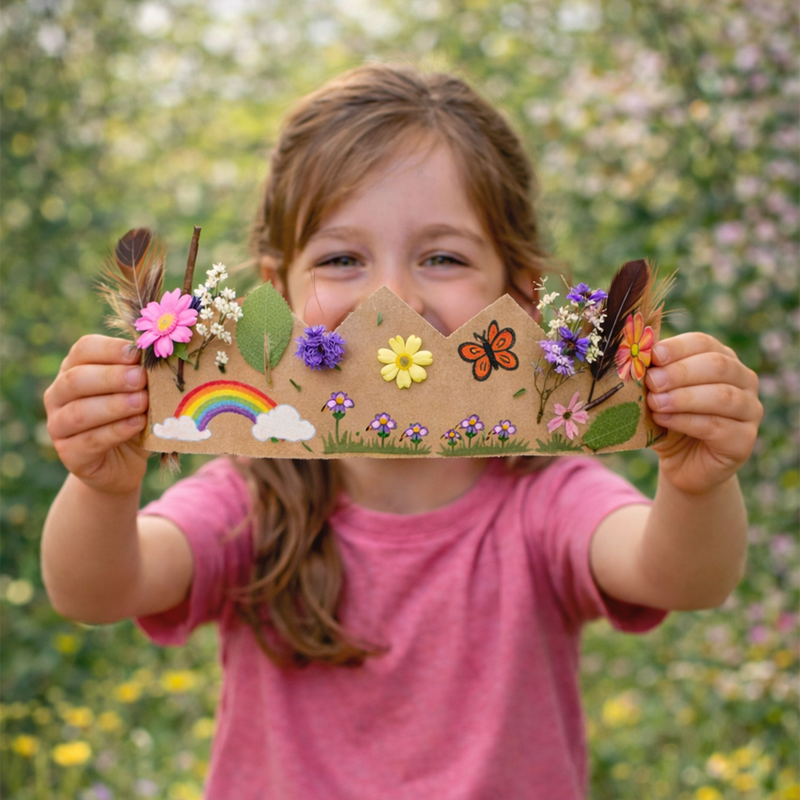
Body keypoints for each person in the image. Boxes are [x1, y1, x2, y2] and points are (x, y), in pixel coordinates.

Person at [42, 64, 762, 799]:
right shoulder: (250, 494)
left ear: (516, 292)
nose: (393, 297)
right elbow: (96, 592)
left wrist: (697, 484)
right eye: (342, 259)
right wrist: (101, 488)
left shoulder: (545, 493)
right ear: (277, 290)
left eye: (443, 257)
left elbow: (683, 578)